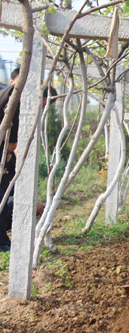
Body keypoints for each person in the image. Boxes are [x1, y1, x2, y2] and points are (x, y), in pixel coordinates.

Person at [0, 68, 53, 253]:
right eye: (43, 104)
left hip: (3, 150)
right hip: (3, 148)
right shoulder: (15, 101)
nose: (42, 109)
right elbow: (12, 145)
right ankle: (2, 244)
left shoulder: (8, 94)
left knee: (7, 185)